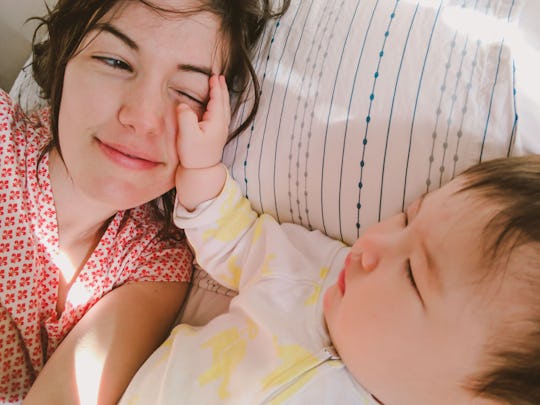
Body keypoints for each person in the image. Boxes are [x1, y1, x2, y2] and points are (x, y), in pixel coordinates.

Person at [120, 76, 540, 404]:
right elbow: (238, 238)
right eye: (407, 219)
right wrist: (201, 167)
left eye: (413, 275)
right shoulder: (316, 275)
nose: (372, 245)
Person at [0, 0, 289, 403]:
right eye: (115, 62)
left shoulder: (157, 261)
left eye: (188, 92)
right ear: (65, 54)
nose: (142, 116)